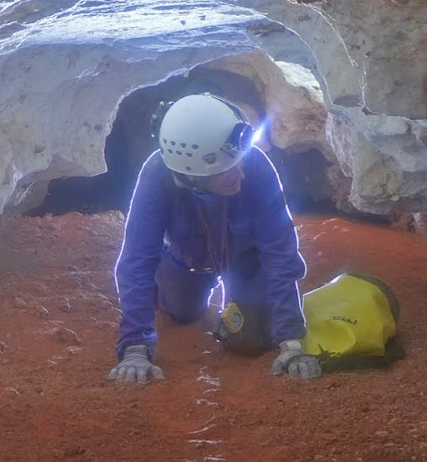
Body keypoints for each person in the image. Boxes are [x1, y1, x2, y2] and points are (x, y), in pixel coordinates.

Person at [108, 93, 322, 383]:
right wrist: (135, 347)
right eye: (227, 170)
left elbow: (280, 253)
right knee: (181, 312)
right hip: (186, 261)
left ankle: (245, 298)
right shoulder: (157, 176)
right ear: (192, 176)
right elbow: (136, 259)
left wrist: (291, 343)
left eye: (240, 161)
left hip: (245, 259)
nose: (242, 174)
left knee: (251, 337)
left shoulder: (256, 166)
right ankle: (170, 290)